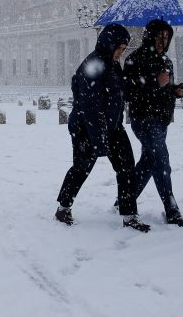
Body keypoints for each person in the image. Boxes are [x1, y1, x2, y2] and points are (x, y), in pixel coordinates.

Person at [55, 24, 150, 232]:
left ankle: (129, 215)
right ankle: (63, 208)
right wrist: (99, 142)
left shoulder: (114, 65)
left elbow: (120, 94)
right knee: (82, 168)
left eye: (124, 49)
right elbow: (91, 107)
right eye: (120, 48)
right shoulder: (92, 65)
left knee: (126, 168)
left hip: (113, 126)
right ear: (109, 44)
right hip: (85, 128)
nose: (121, 53)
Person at [123, 19, 183, 227]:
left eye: (167, 37)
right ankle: (171, 209)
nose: (163, 41)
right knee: (162, 161)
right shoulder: (134, 59)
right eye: (160, 36)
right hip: (143, 118)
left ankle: (125, 198)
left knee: (148, 162)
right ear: (150, 36)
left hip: (161, 120)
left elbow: (165, 90)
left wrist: (176, 91)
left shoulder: (166, 61)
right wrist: (154, 82)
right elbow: (129, 92)